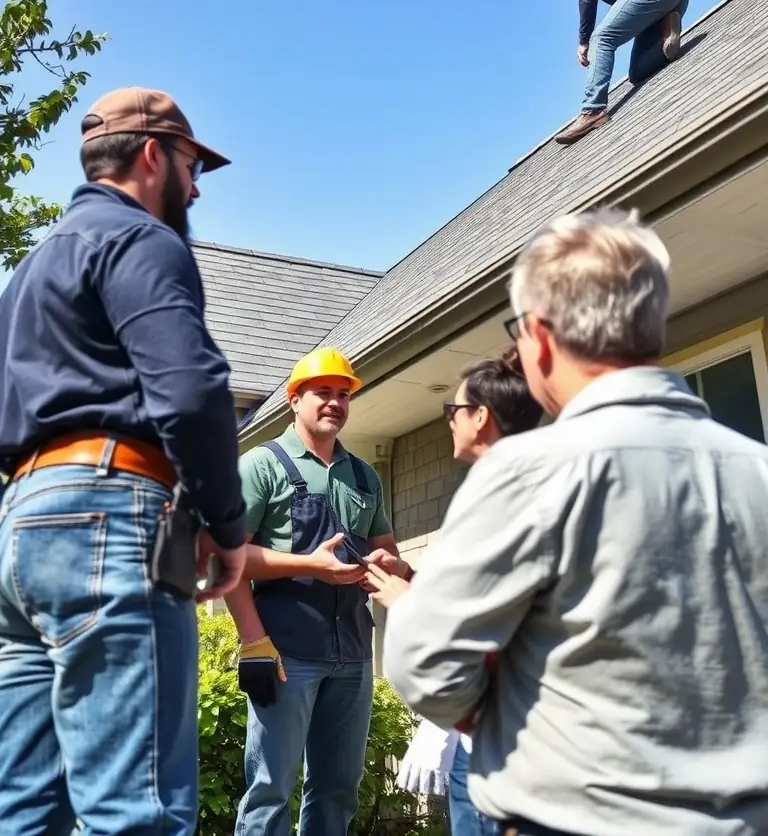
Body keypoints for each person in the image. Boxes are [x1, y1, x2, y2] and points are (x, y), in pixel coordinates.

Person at [383, 207, 768, 835]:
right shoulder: (757, 469)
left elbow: (425, 662)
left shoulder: (527, 471)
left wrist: (528, 725)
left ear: (537, 336)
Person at [0, 86, 248, 835]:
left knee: (24, 809)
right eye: (191, 164)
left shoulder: (31, 267)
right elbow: (190, 390)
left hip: (20, 527)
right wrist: (226, 526)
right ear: (152, 155)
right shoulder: (141, 241)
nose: (197, 185)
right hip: (108, 515)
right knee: (134, 811)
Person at [366, 349, 541, 836]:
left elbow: (502, 622)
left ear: (480, 418)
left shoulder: (512, 501)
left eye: (453, 411)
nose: (449, 422)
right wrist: (410, 576)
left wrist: (409, 606)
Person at [228, 347, 403, 836]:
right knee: (268, 792)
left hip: (353, 655)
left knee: (337, 790)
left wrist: (392, 564)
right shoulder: (261, 465)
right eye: (322, 392)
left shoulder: (364, 475)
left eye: (343, 394)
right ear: (294, 400)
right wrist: (255, 642)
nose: (335, 402)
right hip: (286, 653)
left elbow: (388, 549)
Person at [535, 0, 689, 145]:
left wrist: (584, 40)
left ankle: (593, 110)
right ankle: (666, 35)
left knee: (602, 37)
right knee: (637, 73)